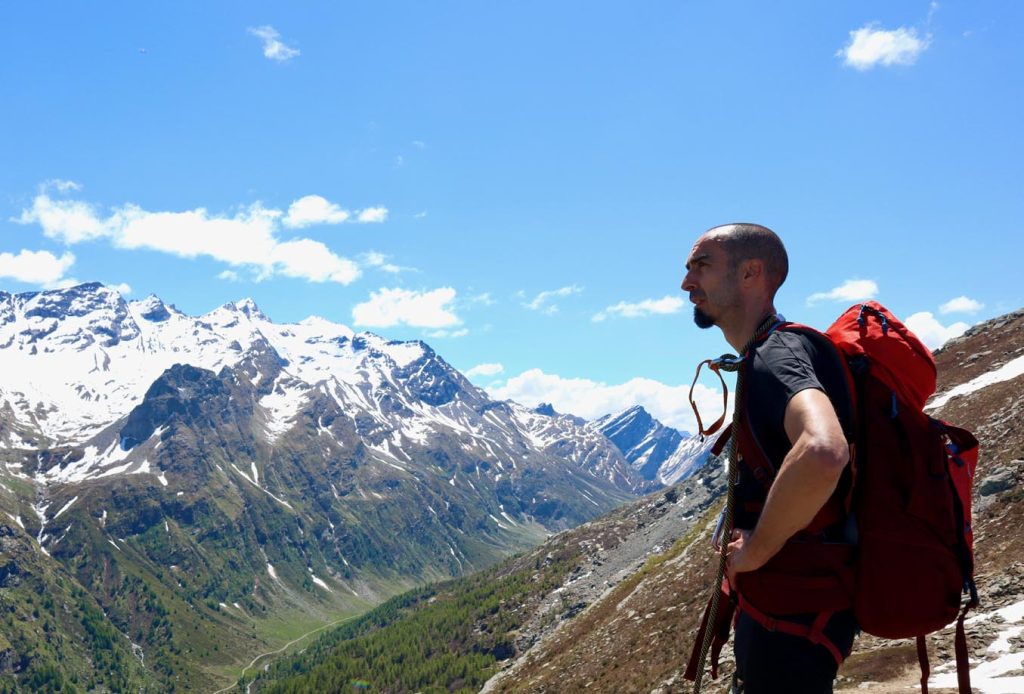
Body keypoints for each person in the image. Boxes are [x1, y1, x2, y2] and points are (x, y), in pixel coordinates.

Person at [681, 223, 858, 693]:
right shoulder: (773, 350)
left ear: (751, 273)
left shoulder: (775, 356)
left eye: (702, 266)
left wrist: (756, 549)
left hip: (791, 617)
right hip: (802, 612)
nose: (686, 283)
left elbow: (823, 451)